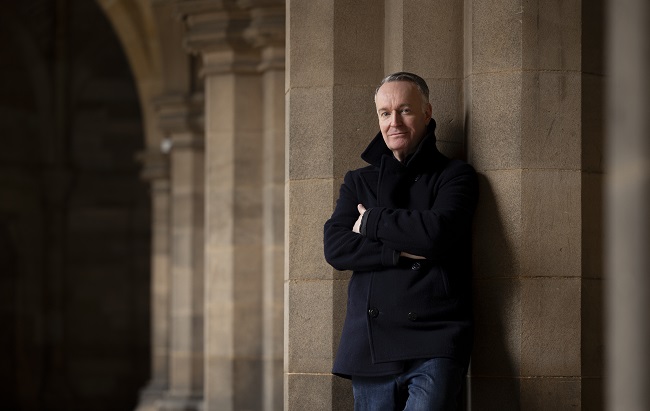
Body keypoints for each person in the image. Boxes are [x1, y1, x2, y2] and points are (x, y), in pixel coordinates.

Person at [323, 72, 478, 410]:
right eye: (385, 113)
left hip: (435, 338)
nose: (394, 122)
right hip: (370, 344)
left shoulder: (455, 176)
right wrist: (400, 252)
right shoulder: (358, 181)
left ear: (426, 113)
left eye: (404, 110)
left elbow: (436, 234)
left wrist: (372, 221)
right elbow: (335, 247)